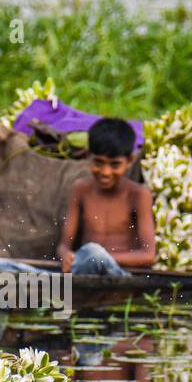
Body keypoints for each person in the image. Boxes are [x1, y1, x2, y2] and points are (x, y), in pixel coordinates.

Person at [53, 118, 156, 276]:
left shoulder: (139, 194)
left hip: (120, 275)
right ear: (88, 156)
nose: (105, 172)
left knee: (94, 252)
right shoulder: (80, 189)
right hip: (85, 272)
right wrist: (67, 256)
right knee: (6, 268)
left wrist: (100, 258)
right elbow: (63, 246)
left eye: (115, 165)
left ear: (130, 161)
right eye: (98, 163)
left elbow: (148, 255)